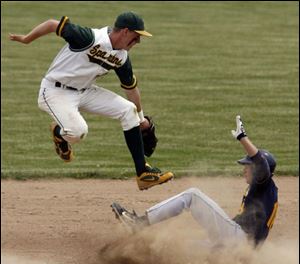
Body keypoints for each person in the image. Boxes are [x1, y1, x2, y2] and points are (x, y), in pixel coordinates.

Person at [9, 11, 174, 190]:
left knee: (128, 110)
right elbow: (51, 24)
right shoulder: (90, 38)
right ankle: (59, 133)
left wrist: (140, 119)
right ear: (125, 31)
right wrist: (26, 39)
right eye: (136, 37)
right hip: (54, 91)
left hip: (85, 91)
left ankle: (143, 173)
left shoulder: (121, 56)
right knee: (78, 132)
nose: (138, 42)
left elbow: (131, 89)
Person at [111, 115, 279, 247]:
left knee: (192, 196)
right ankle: (131, 256)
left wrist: (243, 137)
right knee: (181, 250)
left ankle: (139, 223)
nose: (245, 169)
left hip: (238, 240)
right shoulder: (264, 189)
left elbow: (261, 163)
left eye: (248, 165)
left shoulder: (263, 183)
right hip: (237, 248)